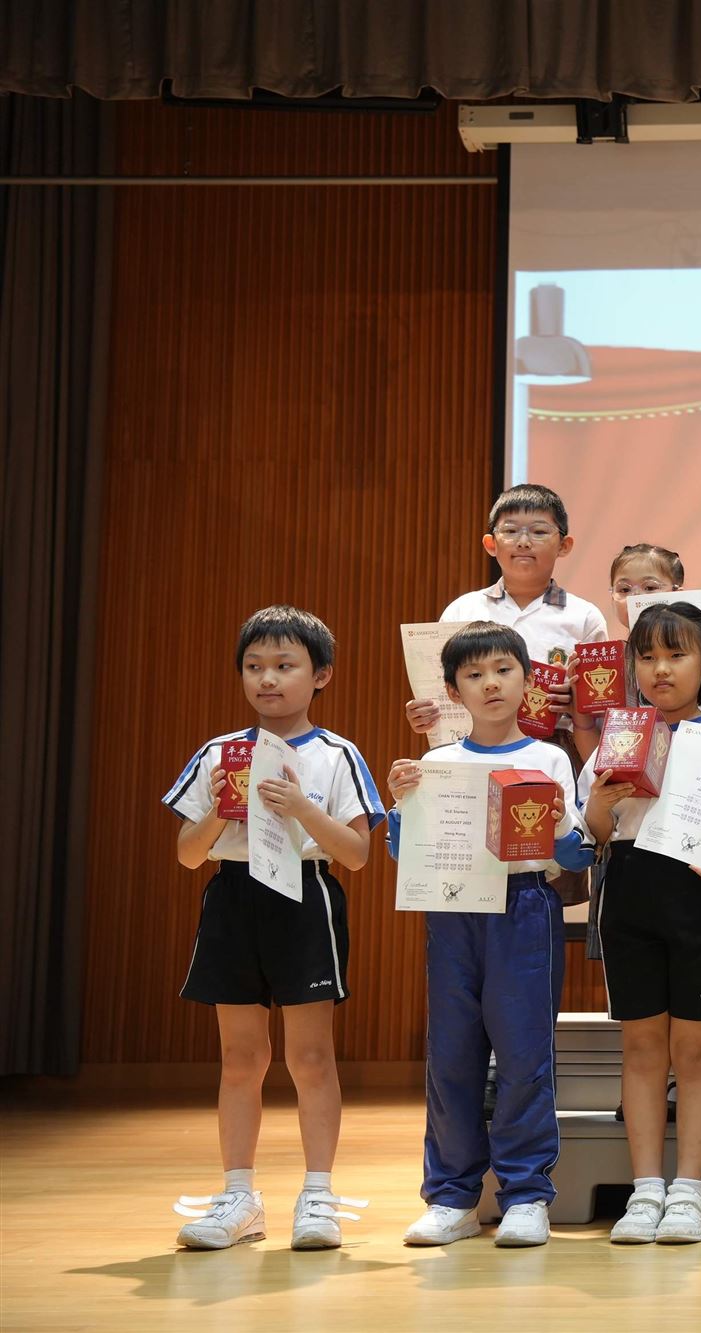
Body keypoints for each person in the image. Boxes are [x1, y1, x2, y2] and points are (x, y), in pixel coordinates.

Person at [166, 606, 383, 1251]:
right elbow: (187, 854)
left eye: (285, 666)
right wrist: (220, 812)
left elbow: (356, 854)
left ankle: (317, 1195)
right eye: (254, 666)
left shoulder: (337, 754)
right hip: (233, 899)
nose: (267, 679)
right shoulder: (217, 754)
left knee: (310, 1056)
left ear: (321, 675)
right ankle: (239, 1197)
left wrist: (300, 809)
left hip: (305, 896)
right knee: (241, 1057)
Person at [388, 623, 592, 1248]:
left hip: (525, 907)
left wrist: (558, 824)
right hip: (453, 911)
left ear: (527, 680)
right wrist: (400, 807)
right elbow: (404, 853)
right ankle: (451, 1197)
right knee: (452, 1055)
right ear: (453, 691)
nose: (491, 684)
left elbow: (576, 857)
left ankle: (526, 1194)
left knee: (525, 1056)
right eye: (473, 675)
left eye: (503, 670)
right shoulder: (436, 763)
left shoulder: (548, 758)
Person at [582, 604, 701, 1245]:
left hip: (700, 900)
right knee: (641, 1048)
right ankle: (646, 1190)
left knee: (696, 1049)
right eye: (648, 657)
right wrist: (599, 803)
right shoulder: (617, 736)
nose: (661, 669)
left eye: (677, 655)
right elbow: (595, 835)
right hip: (629, 895)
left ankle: (687, 1190)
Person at [407, 483, 610, 754]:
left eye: (539, 532)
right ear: (491, 544)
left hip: (555, 749)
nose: (523, 541)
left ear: (564, 545)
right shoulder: (462, 610)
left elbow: (599, 711)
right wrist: (426, 714)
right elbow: (442, 692)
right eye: (510, 531)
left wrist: (575, 703)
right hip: (475, 749)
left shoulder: (584, 617)